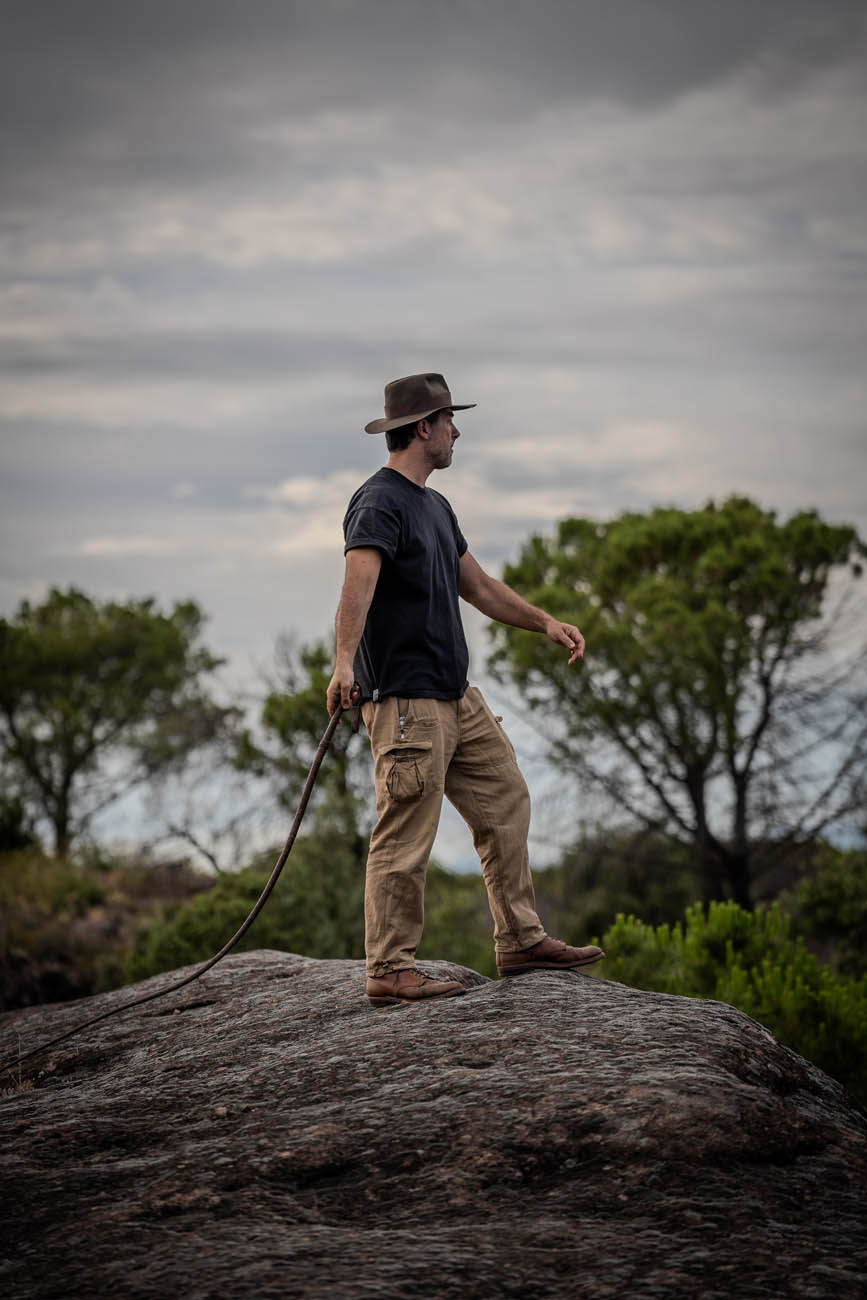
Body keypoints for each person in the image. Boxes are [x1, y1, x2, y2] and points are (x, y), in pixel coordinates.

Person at [326, 373, 604, 1005]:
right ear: (422, 428)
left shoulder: (436, 507)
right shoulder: (379, 502)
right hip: (406, 702)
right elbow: (357, 585)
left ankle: (521, 940)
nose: (457, 431)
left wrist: (545, 623)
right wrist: (344, 663)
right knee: (405, 833)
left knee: (506, 799)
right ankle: (390, 969)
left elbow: (476, 587)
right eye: (449, 420)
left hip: (457, 696)